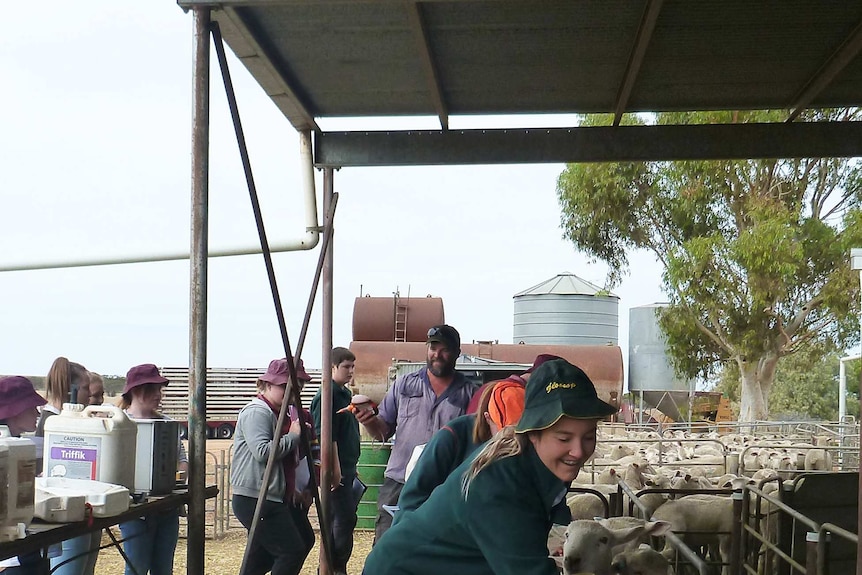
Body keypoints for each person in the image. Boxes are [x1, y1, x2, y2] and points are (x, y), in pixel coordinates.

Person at [362, 358, 618, 575]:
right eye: (564, 438)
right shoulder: (500, 485)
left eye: (589, 436)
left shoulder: (543, 465)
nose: (578, 451)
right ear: (532, 433)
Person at [355, 324, 476, 542]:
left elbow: (472, 443)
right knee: (386, 542)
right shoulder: (404, 385)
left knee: (435, 544)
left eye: (444, 349)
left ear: (457, 353)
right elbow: (383, 431)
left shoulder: (469, 393)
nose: (437, 354)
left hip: (442, 484)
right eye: (433, 347)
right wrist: (370, 422)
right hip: (399, 480)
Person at [394, 377, 525, 523]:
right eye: (503, 432)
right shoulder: (452, 437)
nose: (511, 442)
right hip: (442, 524)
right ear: (487, 418)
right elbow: (412, 498)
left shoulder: (525, 445)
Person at [230, 358, 316, 575]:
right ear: (267, 385)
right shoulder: (257, 412)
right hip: (256, 497)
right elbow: (263, 453)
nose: (292, 392)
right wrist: (294, 436)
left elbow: (281, 462)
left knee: (264, 557)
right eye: (285, 386)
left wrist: (289, 488)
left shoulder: (280, 413)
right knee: (291, 551)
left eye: (298, 387)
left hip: (269, 495)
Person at [117, 364, 189, 575]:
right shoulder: (118, 424)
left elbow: (181, 459)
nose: (160, 395)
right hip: (134, 512)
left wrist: (177, 478)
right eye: (154, 389)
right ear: (137, 391)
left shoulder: (167, 424)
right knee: (136, 568)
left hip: (167, 509)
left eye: (160, 390)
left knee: (163, 569)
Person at [35, 357, 101, 575]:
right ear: (69, 389)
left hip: (79, 509)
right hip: (64, 513)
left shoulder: (60, 419)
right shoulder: (52, 423)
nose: (88, 395)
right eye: (84, 389)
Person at [311, 347, 360, 574]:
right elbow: (327, 434)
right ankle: (334, 564)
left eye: (352, 366)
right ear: (332, 367)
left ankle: (334, 565)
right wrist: (334, 467)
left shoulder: (344, 393)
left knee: (340, 518)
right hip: (338, 468)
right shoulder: (327, 395)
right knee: (343, 518)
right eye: (346, 367)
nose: (351, 371)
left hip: (348, 466)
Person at [0, 375, 49, 574]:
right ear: (14, 412)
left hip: (23, 546)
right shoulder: (5, 447)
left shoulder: (18, 445)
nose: (37, 413)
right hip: (10, 558)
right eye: (31, 407)